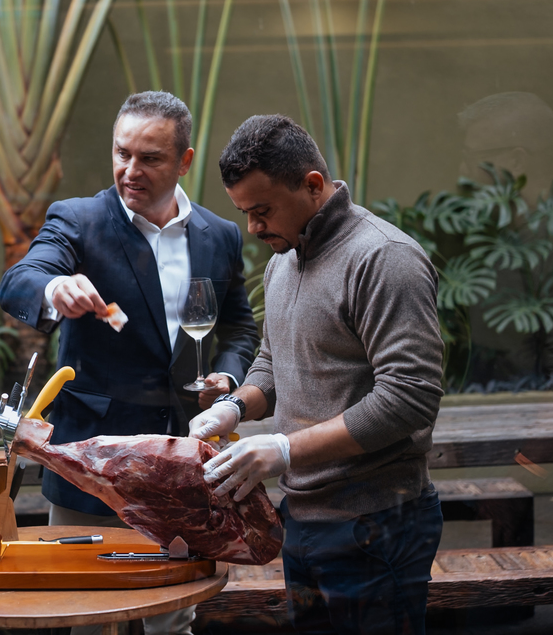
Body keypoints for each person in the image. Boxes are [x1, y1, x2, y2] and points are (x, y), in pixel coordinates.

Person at [0, 90, 259, 635]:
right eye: (122, 153)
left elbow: (239, 327)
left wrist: (229, 376)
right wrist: (53, 288)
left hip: (181, 456)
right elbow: (21, 278)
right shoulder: (78, 219)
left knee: (174, 617)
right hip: (90, 460)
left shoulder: (220, 235)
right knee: (86, 617)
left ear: (184, 161)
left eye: (150, 158)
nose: (130, 170)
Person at [191, 114, 445, 635]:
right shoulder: (283, 259)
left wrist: (284, 450)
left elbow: (410, 397)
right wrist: (234, 407)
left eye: (262, 211)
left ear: (312, 185)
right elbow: (272, 361)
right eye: (244, 213)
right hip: (303, 519)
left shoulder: (385, 258)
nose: (253, 228)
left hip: (377, 525)